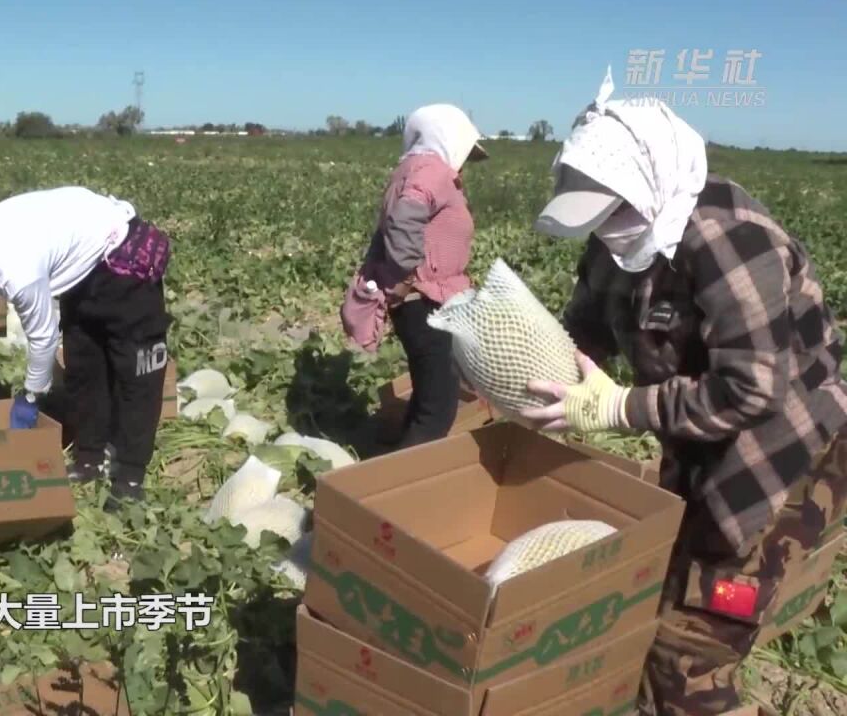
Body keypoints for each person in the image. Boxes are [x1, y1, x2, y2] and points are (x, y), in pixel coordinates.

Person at [519, 69, 847, 716]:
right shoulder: (620, 240)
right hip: (696, 434)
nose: (606, 231)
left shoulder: (729, 241)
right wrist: (554, 361)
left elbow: (751, 391)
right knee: (660, 575)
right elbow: (587, 321)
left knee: (692, 642)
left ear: (650, 183)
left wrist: (620, 407)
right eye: (595, 219)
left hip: (779, 457)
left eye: (613, 212)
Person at [0, 186, 172, 513]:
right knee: (83, 366)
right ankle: (89, 458)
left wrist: (31, 396)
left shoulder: (18, 269)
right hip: (76, 265)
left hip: (119, 256)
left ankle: (130, 477)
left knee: (136, 373)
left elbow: (43, 338)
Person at [343, 104, 488, 448]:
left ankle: (396, 460)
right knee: (437, 409)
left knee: (429, 395)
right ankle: (402, 485)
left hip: (424, 301)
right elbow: (405, 216)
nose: (465, 161)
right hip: (424, 303)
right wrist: (407, 272)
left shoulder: (414, 168)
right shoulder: (431, 172)